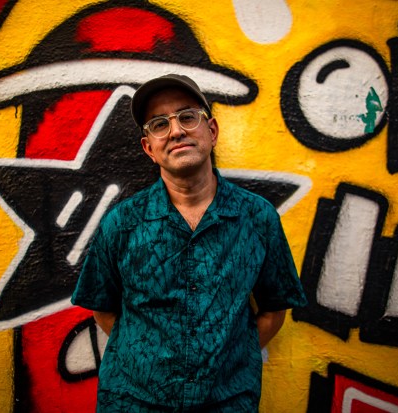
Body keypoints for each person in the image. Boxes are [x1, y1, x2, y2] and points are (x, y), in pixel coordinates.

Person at [71, 74, 307, 412]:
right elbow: (103, 307)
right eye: (159, 124)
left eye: (187, 116)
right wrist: (145, 356)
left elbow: (275, 308)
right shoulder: (121, 224)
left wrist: (231, 357)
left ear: (211, 131)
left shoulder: (257, 218)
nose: (177, 131)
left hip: (227, 401)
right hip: (134, 402)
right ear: (148, 148)